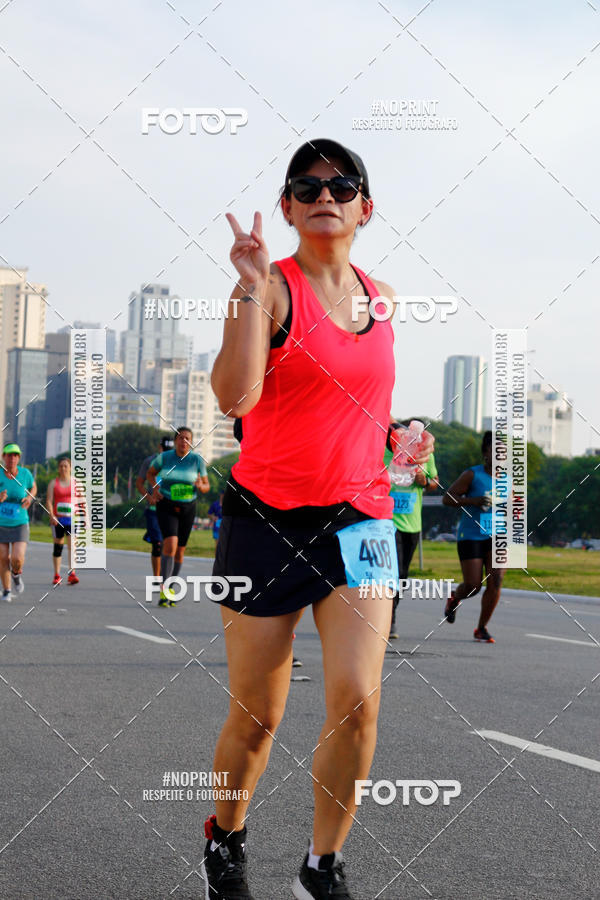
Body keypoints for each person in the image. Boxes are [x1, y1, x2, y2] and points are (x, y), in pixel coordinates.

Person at [205, 138, 434, 900]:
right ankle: (227, 841)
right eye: (306, 186)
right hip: (265, 519)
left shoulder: (385, 297)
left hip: (362, 522)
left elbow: (353, 395)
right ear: (288, 209)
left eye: (342, 185)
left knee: (359, 704)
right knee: (257, 720)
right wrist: (244, 289)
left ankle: (319, 866)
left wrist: (396, 438)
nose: (323, 195)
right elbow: (236, 400)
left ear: (367, 208)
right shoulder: (270, 288)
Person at [442, 430, 504, 643]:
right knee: (473, 586)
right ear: (485, 453)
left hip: (498, 535)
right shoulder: (472, 474)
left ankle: (481, 628)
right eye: (494, 452)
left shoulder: (509, 478)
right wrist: (474, 501)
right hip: (471, 535)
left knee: (496, 580)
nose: (499, 456)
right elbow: (447, 499)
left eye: (503, 453)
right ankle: (455, 598)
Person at [383, 426, 439, 639]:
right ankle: (389, 620)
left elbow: (434, 482)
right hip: (387, 520)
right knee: (393, 571)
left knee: (403, 573)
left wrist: (423, 480)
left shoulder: (423, 454)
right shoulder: (384, 453)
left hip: (412, 522)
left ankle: (392, 611)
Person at [147, 427, 210, 607]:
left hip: (188, 507)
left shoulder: (197, 460)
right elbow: (150, 474)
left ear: (192, 442)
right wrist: (155, 488)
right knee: (170, 544)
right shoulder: (165, 458)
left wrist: (200, 485)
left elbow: (207, 486)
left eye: (188, 439)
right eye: (181, 438)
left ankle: (171, 586)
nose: (184, 442)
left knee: (180, 550)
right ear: (175, 441)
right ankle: (165, 589)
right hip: (166, 504)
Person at [0, 443, 37, 602]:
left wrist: (29, 497)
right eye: (9, 455)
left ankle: (16, 575)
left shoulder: (25, 474)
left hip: (20, 521)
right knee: (2, 557)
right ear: (3, 457)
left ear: (19, 458)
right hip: (1, 523)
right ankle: (7, 590)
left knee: (17, 558)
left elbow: (33, 487)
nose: (12, 458)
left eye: (15, 455)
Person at [136, 436, 174, 579]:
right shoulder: (149, 461)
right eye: (164, 449)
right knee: (157, 545)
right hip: (153, 510)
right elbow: (139, 483)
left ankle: (166, 576)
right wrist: (149, 498)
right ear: (160, 448)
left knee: (168, 545)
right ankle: (157, 578)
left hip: (171, 509)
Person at [47, 456, 79, 585]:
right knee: (58, 547)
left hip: (72, 519)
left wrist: (86, 518)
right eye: (61, 466)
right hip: (58, 520)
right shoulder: (53, 483)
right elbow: (49, 500)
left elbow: (82, 501)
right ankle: (57, 574)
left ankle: (72, 573)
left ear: (70, 468)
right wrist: (51, 515)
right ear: (58, 469)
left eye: (66, 466)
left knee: (72, 546)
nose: (63, 468)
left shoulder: (76, 483)